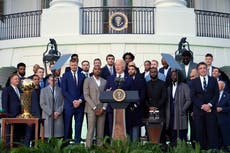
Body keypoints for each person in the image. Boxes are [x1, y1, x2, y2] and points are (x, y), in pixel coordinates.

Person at [190, 62, 219, 149]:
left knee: (212, 132)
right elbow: (193, 96)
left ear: (207, 69)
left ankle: (212, 150)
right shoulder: (194, 81)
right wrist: (202, 106)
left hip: (211, 111)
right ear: (198, 71)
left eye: (204, 68)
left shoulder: (213, 80)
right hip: (199, 111)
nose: (202, 69)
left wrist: (209, 105)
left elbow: (216, 94)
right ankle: (201, 150)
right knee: (200, 132)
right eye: (200, 68)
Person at [105, 59, 133, 136]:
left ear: (124, 67)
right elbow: (106, 91)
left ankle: (125, 147)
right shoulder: (110, 78)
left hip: (125, 109)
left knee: (125, 129)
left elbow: (132, 94)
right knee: (112, 129)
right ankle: (113, 146)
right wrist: (107, 92)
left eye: (119, 65)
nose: (117, 67)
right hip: (112, 108)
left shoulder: (129, 79)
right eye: (116, 65)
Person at [61, 58, 85, 143]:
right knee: (67, 126)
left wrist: (79, 101)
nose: (73, 67)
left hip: (80, 106)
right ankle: (66, 144)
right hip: (69, 105)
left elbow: (84, 91)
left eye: (75, 65)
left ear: (77, 65)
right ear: (70, 65)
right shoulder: (65, 75)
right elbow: (64, 91)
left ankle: (77, 144)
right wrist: (73, 101)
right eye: (72, 65)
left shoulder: (82, 75)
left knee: (78, 126)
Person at [83, 66, 107, 147]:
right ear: (93, 70)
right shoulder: (87, 80)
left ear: (101, 71)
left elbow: (107, 96)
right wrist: (94, 108)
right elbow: (86, 95)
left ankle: (99, 148)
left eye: (99, 69)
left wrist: (103, 108)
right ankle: (88, 148)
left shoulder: (104, 81)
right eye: (95, 69)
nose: (97, 70)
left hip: (102, 109)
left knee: (100, 130)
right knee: (91, 130)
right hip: (91, 108)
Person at [166, 70, 191, 144]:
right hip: (170, 114)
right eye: (172, 75)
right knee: (172, 133)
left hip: (180, 114)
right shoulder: (169, 87)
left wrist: (183, 110)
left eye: (175, 75)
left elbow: (189, 100)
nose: (173, 76)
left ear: (179, 76)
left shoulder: (184, 86)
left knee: (181, 134)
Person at [1, 73, 24, 147]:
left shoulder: (20, 90)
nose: (18, 80)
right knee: (9, 138)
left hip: (19, 117)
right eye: (15, 79)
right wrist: (9, 116)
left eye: (18, 79)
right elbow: (4, 105)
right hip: (10, 118)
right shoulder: (6, 90)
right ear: (11, 80)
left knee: (17, 137)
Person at [146, 67, 167, 143]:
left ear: (157, 73)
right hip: (150, 110)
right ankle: (150, 146)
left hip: (160, 110)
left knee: (160, 130)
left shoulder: (162, 83)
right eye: (151, 72)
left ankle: (161, 147)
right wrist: (149, 107)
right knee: (150, 129)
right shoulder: (147, 84)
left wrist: (156, 107)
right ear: (149, 73)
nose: (153, 73)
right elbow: (145, 97)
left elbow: (164, 97)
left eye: (155, 72)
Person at [126, 65, 146, 141]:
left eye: (132, 69)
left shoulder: (141, 80)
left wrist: (136, 104)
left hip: (137, 108)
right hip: (127, 107)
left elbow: (143, 94)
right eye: (129, 69)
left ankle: (135, 147)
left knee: (136, 127)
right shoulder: (125, 80)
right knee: (128, 127)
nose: (130, 71)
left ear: (135, 71)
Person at [216, 81, 230, 149]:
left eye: (219, 85)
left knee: (225, 136)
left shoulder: (228, 95)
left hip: (224, 120)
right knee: (216, 136)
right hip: (215, 120)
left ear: (223, 86)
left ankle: (226, 149)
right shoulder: (213, 95)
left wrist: (222, 109)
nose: (217, 86)